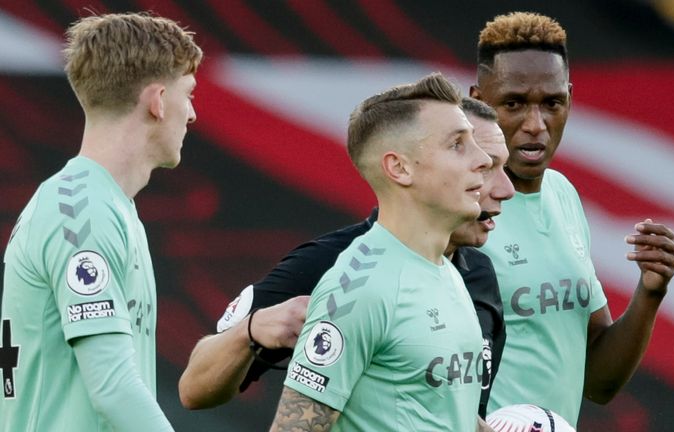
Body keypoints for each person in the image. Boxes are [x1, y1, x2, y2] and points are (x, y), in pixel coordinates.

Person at [179, 97, 515, 421]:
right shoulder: (339, 268)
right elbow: (194, 389)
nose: (503, 188)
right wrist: (250, 331)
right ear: (402, 166)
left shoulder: (475, 274)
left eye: (499, 165)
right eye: (466, 152)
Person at [470, 12, 674, 427]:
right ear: (479, 99)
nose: (536, 125)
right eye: (513, 103)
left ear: (569, 97)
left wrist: (650, 292)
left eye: (552, 103)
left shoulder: (562, 194)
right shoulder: (456, 206)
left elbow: (600, 383)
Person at [0, 12, 202, 431]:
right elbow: (113, 388)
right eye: (189, 95)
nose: (193, 115)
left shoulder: (107, 207)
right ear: (158, 100)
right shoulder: (82, 212)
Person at [267, 73, 494, 431]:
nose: (483, 160)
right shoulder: (360, 289)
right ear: (399, 168)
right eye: (457, 144)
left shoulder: (446, 271)